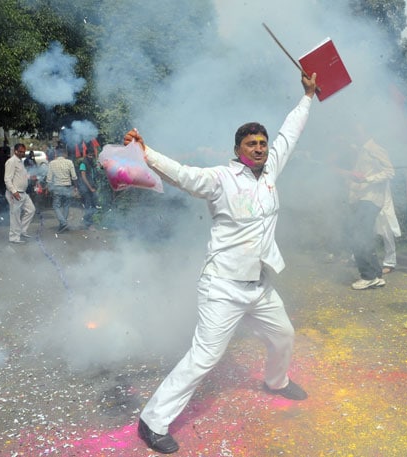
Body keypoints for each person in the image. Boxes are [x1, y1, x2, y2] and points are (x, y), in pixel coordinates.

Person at [124, 72, 317, 455]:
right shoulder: (220, 178)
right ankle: (153, 421)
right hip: (223, 288)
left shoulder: (271, 171)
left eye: (262, 143)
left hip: (260, 286)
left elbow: (289, 135)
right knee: (205, 357)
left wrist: (308, 96)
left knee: (284, 336)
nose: (261, 148)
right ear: (238, 148)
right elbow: (181, 175)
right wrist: (145, 152)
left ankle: (275, 382)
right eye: (252, 143)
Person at [347, 130, 395, 290]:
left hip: (371, 199)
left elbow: (389, 171)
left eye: (356, 132)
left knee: (357, 235)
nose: (354, 136)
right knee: (364, 235)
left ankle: (367, 276)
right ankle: (376, 274)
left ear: (365, 133)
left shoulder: (375, 148)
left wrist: (367, 179)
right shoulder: (362, 150)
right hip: (363, 198)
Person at [4, 143, 36, 243]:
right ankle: (14, 237)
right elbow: (7, 179)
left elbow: (20, 176)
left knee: (31, 210)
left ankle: (22, 230)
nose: (22, 153)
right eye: (20, 151)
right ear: (15, 151)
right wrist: (14, 191)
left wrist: (29, 177)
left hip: (23, 193)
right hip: (15, 193)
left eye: (23, 151)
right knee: (15, 216)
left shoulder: (20, 162)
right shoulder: (11, 162)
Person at [46, 147, 77, 233]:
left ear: (56, 154)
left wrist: (49, 187)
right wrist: (76, 187)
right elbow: (74, 176)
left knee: (56, 206)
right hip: (67, 186)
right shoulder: (69, 162)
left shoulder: (52, 163)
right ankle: (63, 224)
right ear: (65, 154)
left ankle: (63, 223)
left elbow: (49, 178)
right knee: (66, 205)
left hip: (57, 187)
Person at [375, 180, 401, 274]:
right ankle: (357, 257)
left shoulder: (382, 173)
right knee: (362, 233)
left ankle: (389, 263)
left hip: (383, 208)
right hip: (366, 206)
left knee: (387, 235)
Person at [77, 148, 99, 230]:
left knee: (93, 205)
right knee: (88, 205)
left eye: (92, 155)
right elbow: (83, 177)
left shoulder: (92, 163)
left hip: (92, 187)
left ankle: (87, 220)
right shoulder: (83, 164)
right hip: (85, 188)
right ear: (86, 155)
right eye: (90, 155)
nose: (91, 157)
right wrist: (90, 188)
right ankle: (88, 224)